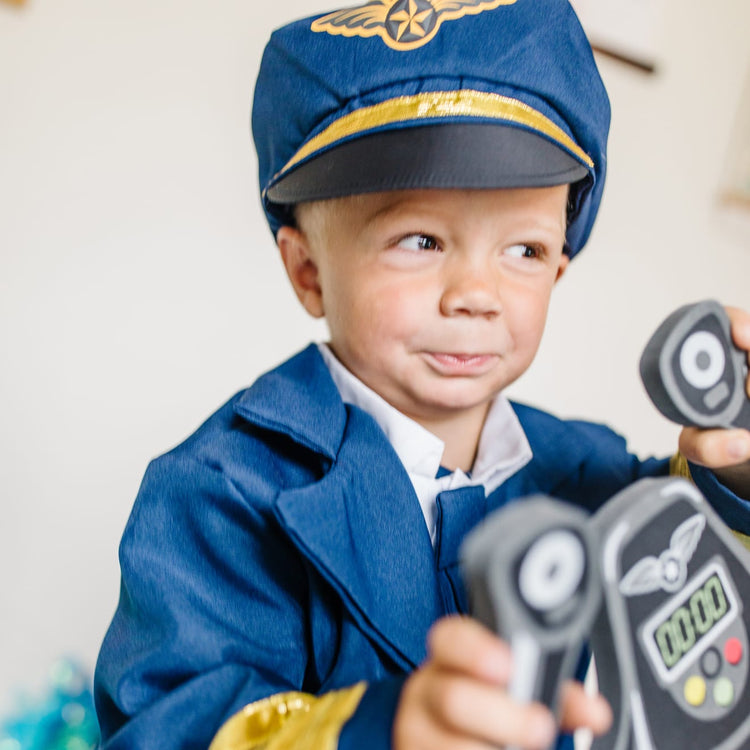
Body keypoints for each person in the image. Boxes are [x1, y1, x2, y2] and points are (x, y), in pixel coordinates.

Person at [94, 1, 750, 749]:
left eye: (525, 251)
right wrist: (377, 730)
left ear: (560, 271)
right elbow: (169, 721)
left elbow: (689, 569)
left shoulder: (589, 466)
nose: (476, 293)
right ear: (308, 273)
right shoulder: (222, 495)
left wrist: (735, 473)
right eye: (421, 239)